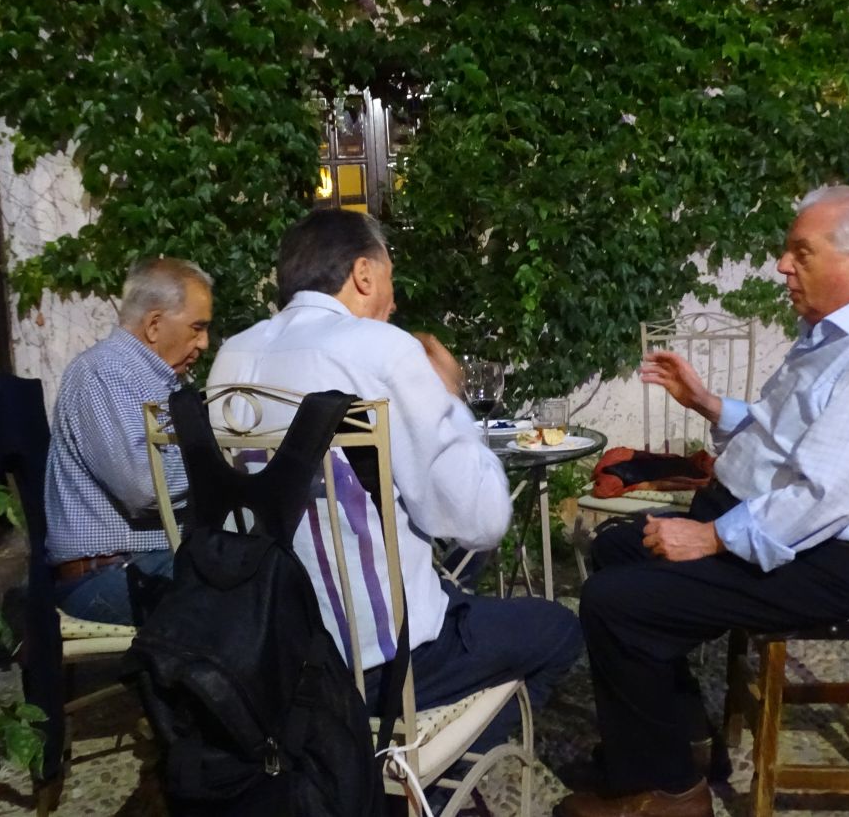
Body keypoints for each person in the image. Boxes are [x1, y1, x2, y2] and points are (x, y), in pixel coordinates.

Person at [555, 185, 849, 817]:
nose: (782, 265)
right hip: (785, 527)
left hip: (831, 558)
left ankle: (668, 795)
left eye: (801, 251)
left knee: (615, 604)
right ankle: (681, 739)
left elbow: (823, 495)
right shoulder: (836, 335)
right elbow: (787, 438)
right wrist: (710, 405)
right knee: (619, 548)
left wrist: (712, 537)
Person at [208, 209, 582, 747]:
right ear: (363, 274)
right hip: (381, 666)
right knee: (561, 631)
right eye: (390, 279)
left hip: (270, 653)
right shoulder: (381, 349)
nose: (395, 301)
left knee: (445, 580)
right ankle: (424, 769)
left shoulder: (233, 354)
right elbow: (480, 521)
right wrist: (451, 399)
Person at [45, 257, 213, 625]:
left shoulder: (157, 380)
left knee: (264, 572)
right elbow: (146, 489)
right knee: (248, 596)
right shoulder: (105, 372)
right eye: (197, 328)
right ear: (154, 324)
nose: (204, 342)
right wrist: (218, 467)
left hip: (148, 560)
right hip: (110, 572)